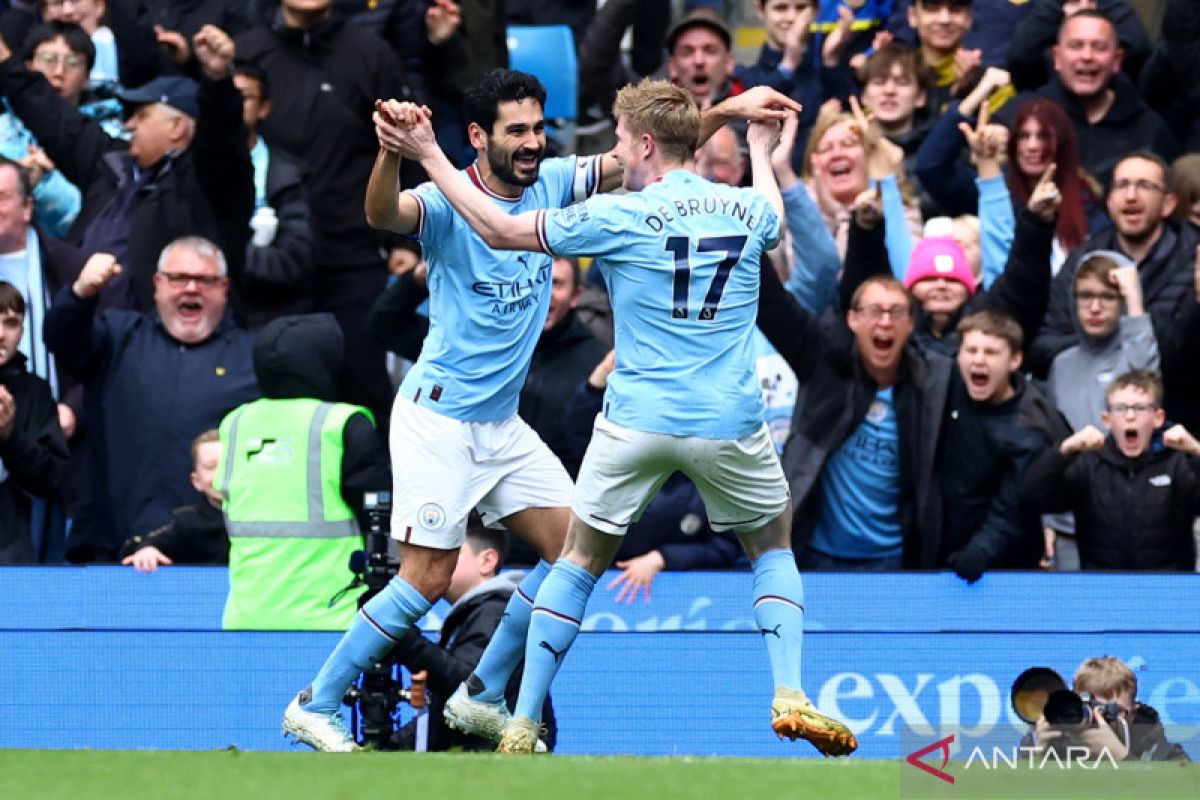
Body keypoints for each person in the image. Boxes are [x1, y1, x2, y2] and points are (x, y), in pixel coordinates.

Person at [280, 69, 803, 753]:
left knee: (570, 554)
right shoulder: (447, 200)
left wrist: (730, 109)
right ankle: (314, 703)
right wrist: (394, 152)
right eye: (517, 131)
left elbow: (655, 150)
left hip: (500, 422)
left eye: (538, 127)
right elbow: (382, 216)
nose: (533, 142)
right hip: (439, 417)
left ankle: (480, 695)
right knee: (429, 575)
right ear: (477, 136)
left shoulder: (557, 183)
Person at [0, 23, 254, 313]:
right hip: (84, 332)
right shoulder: (113, 163)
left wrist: (218, 79)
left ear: (176, 127)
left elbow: (222, 140)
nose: (129, 124)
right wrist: (6, 62)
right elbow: (57, 121)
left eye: (142, 115)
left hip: (160, 342)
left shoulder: (207, 183)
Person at [43, 238, 259, 563]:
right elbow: (62, 340)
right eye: (178, 278)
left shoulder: (253, 357)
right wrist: (80, 293)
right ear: (157, 284)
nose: (191, 288)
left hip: (214, 557)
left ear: (224, 288)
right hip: (113, 548)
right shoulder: (118, 337)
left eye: (205, 280)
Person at [217, 313, 391, 630]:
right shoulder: (341, 423)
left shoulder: (236, 423)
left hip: (245, 618)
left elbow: (225, 504)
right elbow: (380, 515)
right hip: (333, 618)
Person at [384, 524, 557, 752]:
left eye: (451, 553)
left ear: (487, 561)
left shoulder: (494, 611)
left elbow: (469, 689)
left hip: (496, 755)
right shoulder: (481, 611)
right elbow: (448, 710)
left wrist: (401, 635)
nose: (437, 562)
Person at [1022, 369, 1200, 571]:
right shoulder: (1088, 464)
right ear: (1107, 419)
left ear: (1158, 418)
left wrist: (1196, 450)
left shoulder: (1178, 463)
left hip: (1167, 588)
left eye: (1140, 408)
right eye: (1121, 408)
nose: (1130, 416)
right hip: (1102, 588)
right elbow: (1032, 496)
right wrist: (1065, 450)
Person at [230, 62, 315, 329]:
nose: (233, 105)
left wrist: (225, 253)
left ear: (264, 107)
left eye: (243, 97)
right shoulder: (186, 167)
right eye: (227, 96)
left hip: (266, 316)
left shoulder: (289, 176)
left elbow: (292, 260)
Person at [0, 280, 69, 563]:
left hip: (12, 545)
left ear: (23, 332)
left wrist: (10, 436)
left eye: (11, 323)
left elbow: (51, 477)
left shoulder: (34, 392)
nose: (1, 335)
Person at [1029, 656, 1191, 762]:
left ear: (1133, 715)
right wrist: (1037, 758)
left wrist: (1121, 756)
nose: (1101, 720)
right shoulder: (1051, 744)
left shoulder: (1165, 756)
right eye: (1092, 709)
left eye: (1112, 711)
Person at [119, 428, 228, 573]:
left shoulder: (265, 516)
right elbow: (148, 543)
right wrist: (147, 550)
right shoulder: (187, 523)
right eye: (211, 467)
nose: (221, 474)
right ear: (196, 481)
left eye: (228, 465)